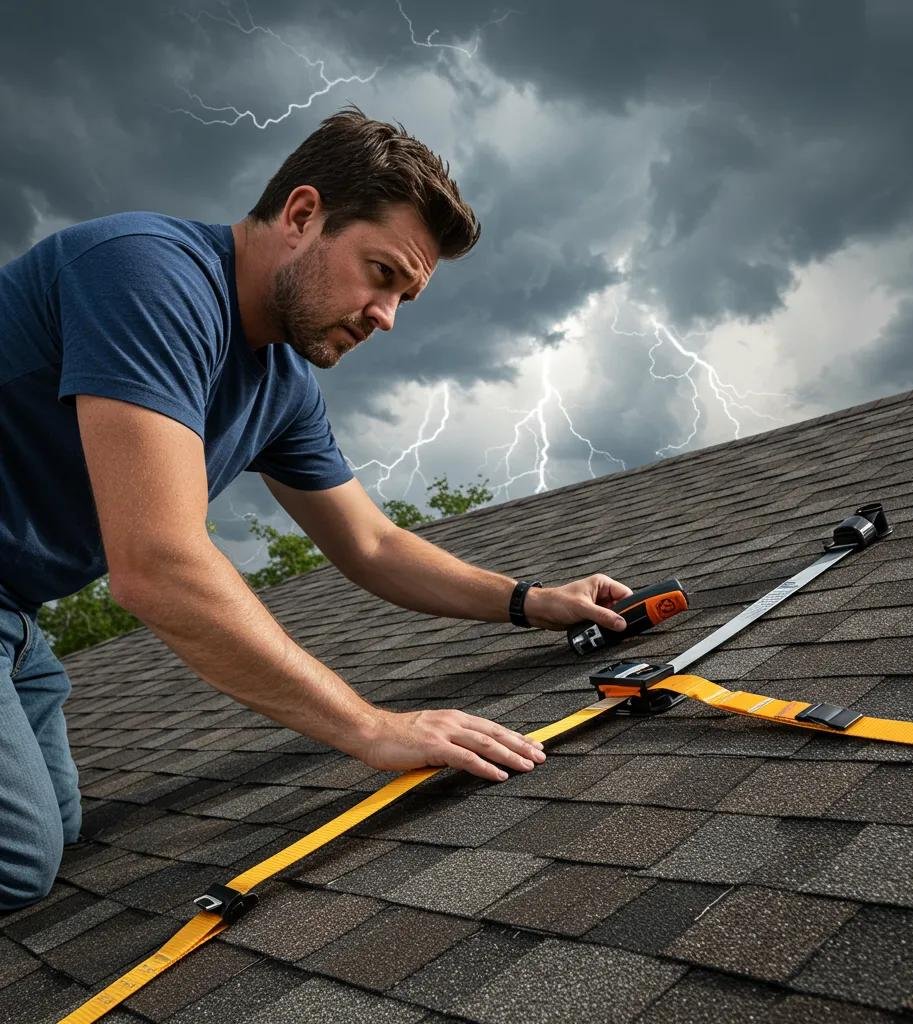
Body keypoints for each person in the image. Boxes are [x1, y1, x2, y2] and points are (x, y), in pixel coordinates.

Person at [0, 107, 633, 910]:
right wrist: (371, 728)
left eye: (405, 296)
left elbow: (370, 545)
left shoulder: (281, 386)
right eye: (380, 273)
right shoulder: (145, 274)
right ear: (302, 215)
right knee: (18, 862)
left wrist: (534, 601)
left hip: (16, 622)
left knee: (56, 829)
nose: (386, 317)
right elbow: (157, 563)